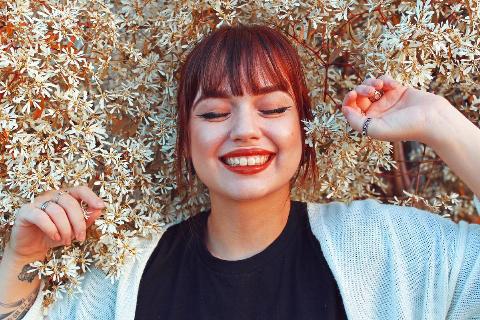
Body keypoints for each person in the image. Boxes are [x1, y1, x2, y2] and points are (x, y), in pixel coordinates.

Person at [0, 24, 479, 320]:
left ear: (303, 129)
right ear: (186, 140)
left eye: (272, 109)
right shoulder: (125, 281)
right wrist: (21, 256)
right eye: (213, 114)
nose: (245, 130)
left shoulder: (387, 252)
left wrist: (440, 123)